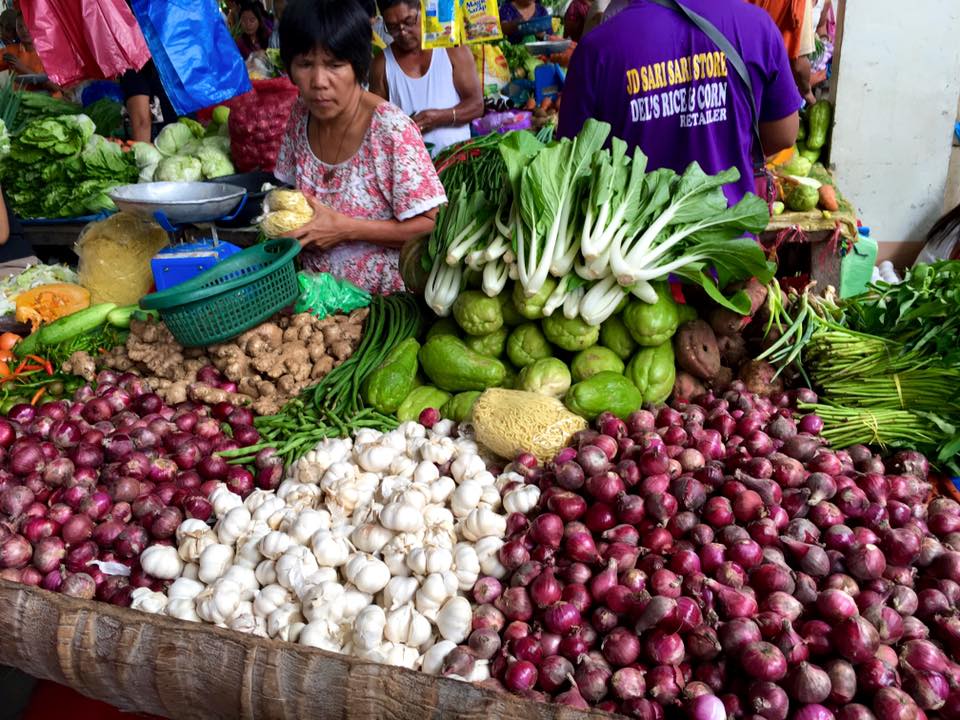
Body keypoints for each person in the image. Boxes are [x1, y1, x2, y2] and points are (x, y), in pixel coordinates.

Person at [274, 0, 447, 294]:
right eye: (304, 64)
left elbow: (433, 224)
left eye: (334, 65)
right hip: (315, 306)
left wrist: (345, 229)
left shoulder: (390, 129)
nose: (318, 82)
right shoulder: (301, 114)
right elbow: (288, 194)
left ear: (358, 66)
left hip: (384, 310)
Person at [558, 0, 801, 206]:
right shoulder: (758, 27)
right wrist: (726, 142)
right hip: (728, 245)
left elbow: (573, 163)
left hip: (632, 250)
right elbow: (784, 135)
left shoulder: (597, 48)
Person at [369, 0, 483, 156]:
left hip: (458, 165)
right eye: (393, 27)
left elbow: (477, 105)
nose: (402, 32)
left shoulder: (451, 49)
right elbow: (376, 123)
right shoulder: (381, 65)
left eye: (408, 21)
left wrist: (440, 118)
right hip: (410, 173)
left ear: (422, 9)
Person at [747, 0, 816, 106]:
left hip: (739, 77)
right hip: (770, 88)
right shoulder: (800, 2)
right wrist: (808, 94)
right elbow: (799, 65)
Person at [119, 60, 178, 142]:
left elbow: (141, 122)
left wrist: (143, 152)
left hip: (165, 144)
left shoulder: (134, 62)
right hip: (191, 138)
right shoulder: (181, 52)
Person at [0, 13, 58, 94]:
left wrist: (22, 69)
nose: (24, 30)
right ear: (16, 30)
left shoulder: (48, 52)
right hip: (19, 104)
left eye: (28, 25)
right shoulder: (10, 51)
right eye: (20, 26)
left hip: (47, 103)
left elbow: (56, 88)